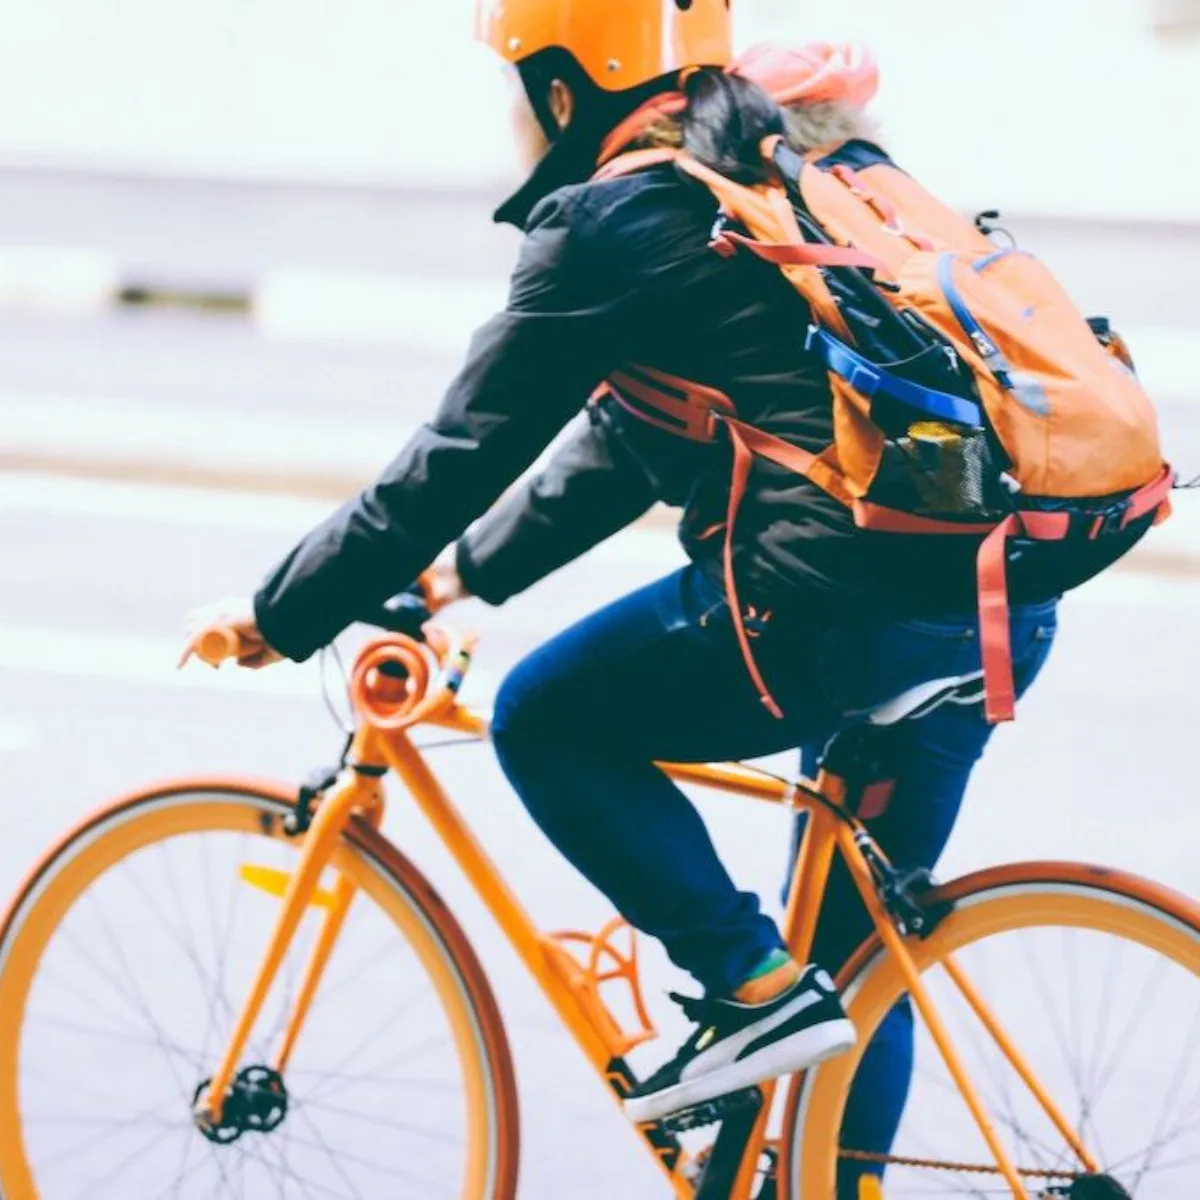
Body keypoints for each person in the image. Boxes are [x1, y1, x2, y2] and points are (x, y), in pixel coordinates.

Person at [189, 3, 1068, 1192]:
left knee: (548, 718)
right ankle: (823, 1161)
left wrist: (284, 611)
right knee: (855, 964)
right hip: (995, 600)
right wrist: (460, 577)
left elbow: (460, 450)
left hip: (831, 614)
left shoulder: (613, 218)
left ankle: (743, 987)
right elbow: (624, 443)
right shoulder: (776, 175)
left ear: (563, 94)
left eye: (515, 88)